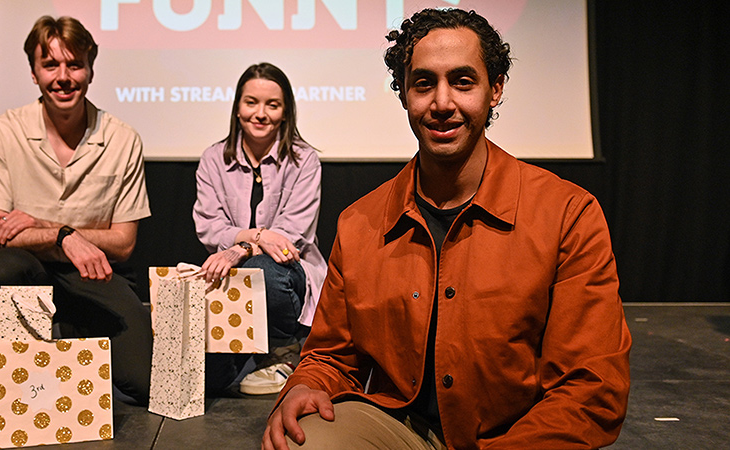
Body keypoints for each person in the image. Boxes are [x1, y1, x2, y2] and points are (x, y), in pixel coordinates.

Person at [263, 8, 631, 450]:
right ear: (403, 94)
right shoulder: (361, 222)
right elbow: (330, 356)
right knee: (300, 442)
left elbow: (592, 387)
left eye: (462, 81)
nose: (441, 103)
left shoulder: (567, 214)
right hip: (399, 428)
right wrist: (305, 385)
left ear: (494, 89)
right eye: (423, 83)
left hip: (520, 436)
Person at [0, 16, 153, 403]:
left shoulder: (121, 138)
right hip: (28, 272)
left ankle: (70, 328)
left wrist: (41, 223)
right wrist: (63, 236)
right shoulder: (1, 132)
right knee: (2, 268)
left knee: (144, 381)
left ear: (90, 69)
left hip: (96, 276)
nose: (63, 77)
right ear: (34, 73)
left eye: (74, 64)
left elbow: (122, 243)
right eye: (50, 65)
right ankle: (35, 363)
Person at [193, 63, 328, 396]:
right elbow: (208, 226)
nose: (260, 113)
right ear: (237, 107)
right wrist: (255, 236)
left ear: (285, 113)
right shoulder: (213, 158)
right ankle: (253, 354)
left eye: (273, 104)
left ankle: (285, 350)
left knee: (264, 268)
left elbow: (291, 235)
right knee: (211, 383)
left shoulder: (304, 160)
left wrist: (243, 246)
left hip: (287, 270)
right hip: (229, 274)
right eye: (251, 102)